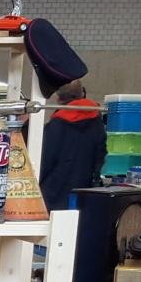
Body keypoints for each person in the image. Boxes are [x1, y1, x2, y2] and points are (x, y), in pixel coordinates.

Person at [38, 81, 106, 211]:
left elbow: (44, 162)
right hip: (84, 192)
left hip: (53, 194)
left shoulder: (55, 126)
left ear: (59, 98)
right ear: (82, 93)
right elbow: (100, 156)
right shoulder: (97, 122)